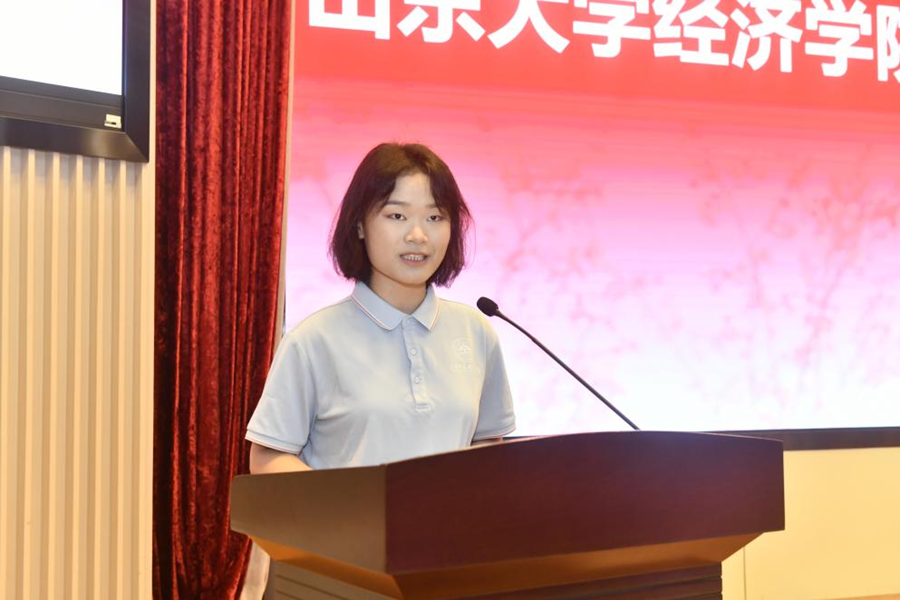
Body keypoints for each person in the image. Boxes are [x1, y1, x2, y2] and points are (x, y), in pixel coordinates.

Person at [246, 142, 515, 474]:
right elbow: (267, 457)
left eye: (434, 217)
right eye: (397, 216)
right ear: (360, 225)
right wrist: (346, 502)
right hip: (349, 511)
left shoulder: (476, 332)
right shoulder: (313, 340)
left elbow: (488, 443)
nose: (418, 235)